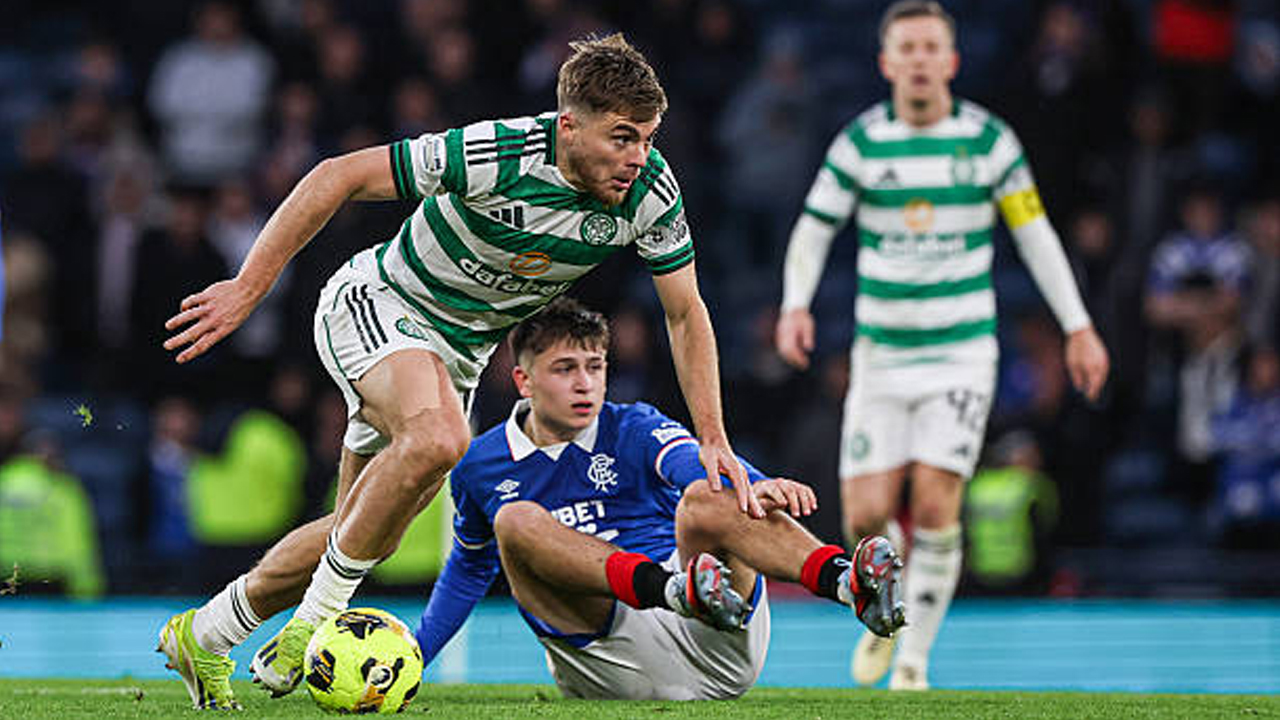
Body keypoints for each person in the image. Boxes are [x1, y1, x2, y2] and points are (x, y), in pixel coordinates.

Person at [157, 34, 758, 710]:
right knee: (442, 440)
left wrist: (712, 435)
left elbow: (684, 314)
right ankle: (305, 630)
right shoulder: (498, 152)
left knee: (359, 530)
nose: (638, 158)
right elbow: (339, 175)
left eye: (647, 138)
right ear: (568, 125)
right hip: (380, 303)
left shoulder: (649, 191)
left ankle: (206, 632)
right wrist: (247, 287)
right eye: (622, 138)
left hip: (459, 353)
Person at [773, 1, 1110, 691]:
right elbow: (813, 227)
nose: (921, 59)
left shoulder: (988, 142)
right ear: (886, 62)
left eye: (933, 47)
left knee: (933, 505)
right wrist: (794, 304)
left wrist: (1076, 324)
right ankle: (886, 614)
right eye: (909, 48)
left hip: (960, 354)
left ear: (951, 62)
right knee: (865, 516)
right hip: (881, 355)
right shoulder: (862, 142)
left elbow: (1035, 234)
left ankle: (915, 663)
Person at [415, 297, 905, 700]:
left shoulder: (633, 425)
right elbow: (469, 568)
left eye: (595, 366)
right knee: (517, 521)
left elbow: (697, 463)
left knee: (705, 497)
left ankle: (846, 583)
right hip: (607, 658)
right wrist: (416, 656)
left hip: (713, 622)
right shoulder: (480, 463)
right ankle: (672, 588)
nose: (585, 384)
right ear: (524, 380)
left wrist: (754, 483)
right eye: (565, 369)